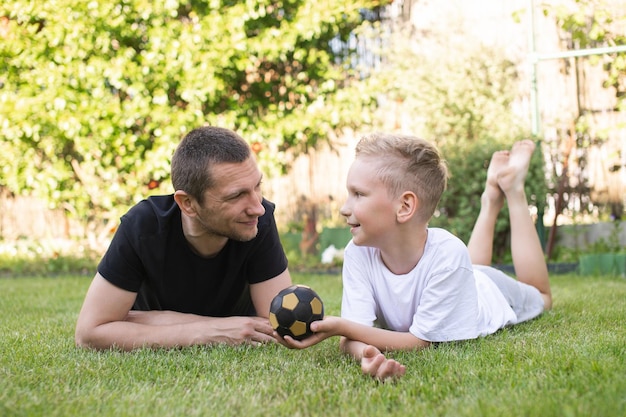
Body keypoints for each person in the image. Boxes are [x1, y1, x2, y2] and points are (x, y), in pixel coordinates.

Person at [278, 133, 552, 381]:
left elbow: (421, 341)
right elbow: (355, 334)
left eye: (358, 194)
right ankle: (490, 197)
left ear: (405, 206)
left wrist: (341, 327)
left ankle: (513, 189)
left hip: (489, 292)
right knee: (473, 265)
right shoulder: (358, 253)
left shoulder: (448, 254)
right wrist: (368, 356)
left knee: (542, 297)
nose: (344, 208)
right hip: (459, 277)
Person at [75, 126, 292, 350]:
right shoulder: (143, 226)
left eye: (257, 186)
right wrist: (211, 331)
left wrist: (143, 320)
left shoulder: (257, 221)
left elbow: (278, 326)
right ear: (187, 203)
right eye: (236, 195)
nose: (258, 208)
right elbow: (89, 334)